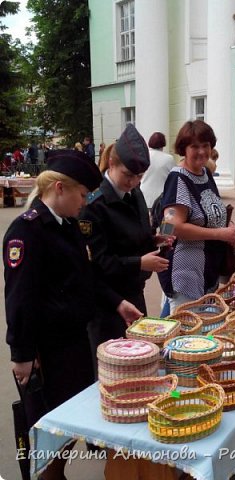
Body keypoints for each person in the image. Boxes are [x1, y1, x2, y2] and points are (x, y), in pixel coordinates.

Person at [3, 149, 103, 480]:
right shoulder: (27, 231)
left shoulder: (67, 225)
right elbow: (20, 298)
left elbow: (83, 278)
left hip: (73, 346)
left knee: (68, 429)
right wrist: (22, 355)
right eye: (82, 194)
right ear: (60, 188)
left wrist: (115, 302)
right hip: (47, 353)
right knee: (48, 437)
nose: (84, 202)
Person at [79, 124, 172, 366]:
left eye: (139, 177)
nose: (133, 182)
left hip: (134, 293)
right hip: (107, 305)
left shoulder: (135, 193)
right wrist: (140, 262)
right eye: (128, 175)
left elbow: (134, 235)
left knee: (141, 364)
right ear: (111, 163)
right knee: (112, 373)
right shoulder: (93, 205)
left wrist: (152, 240)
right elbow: (99, 263)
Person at [158, 120, 235, 313]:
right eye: (194, 146)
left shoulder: (205, 173)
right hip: (186, 274)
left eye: (206, 145)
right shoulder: (178, 179)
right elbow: (170, 227)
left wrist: (228, 227)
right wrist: (220, 234)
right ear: (183, 149)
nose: (202, 151)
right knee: (188, 333)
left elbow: (211, 210)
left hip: (207, 270)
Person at [140, 132, 176, 209]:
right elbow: (174, 179)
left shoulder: (144, 156)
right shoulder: (169, 159)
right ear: (163, 143)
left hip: (144, 196)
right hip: (161, 198)